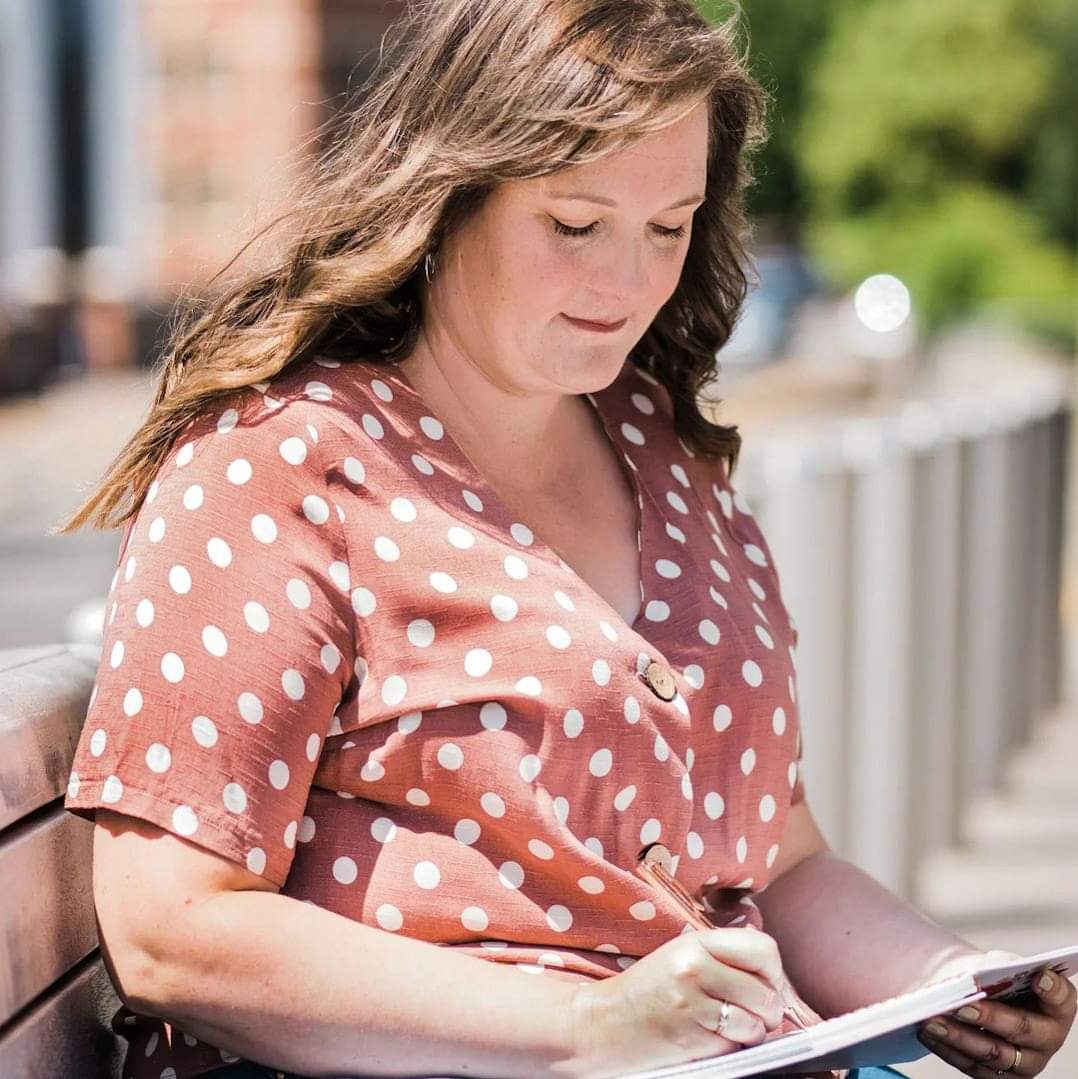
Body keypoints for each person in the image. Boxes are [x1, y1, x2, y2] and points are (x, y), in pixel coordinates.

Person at [58, 1, 1075, 1077]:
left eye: (667, 227)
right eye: (575, 225)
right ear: (446, 196)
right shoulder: (281, 466)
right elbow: (172, 927)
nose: (627, 282)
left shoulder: (668, 456)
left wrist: (944, 978)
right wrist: (583, 1027)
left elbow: (777, 860)